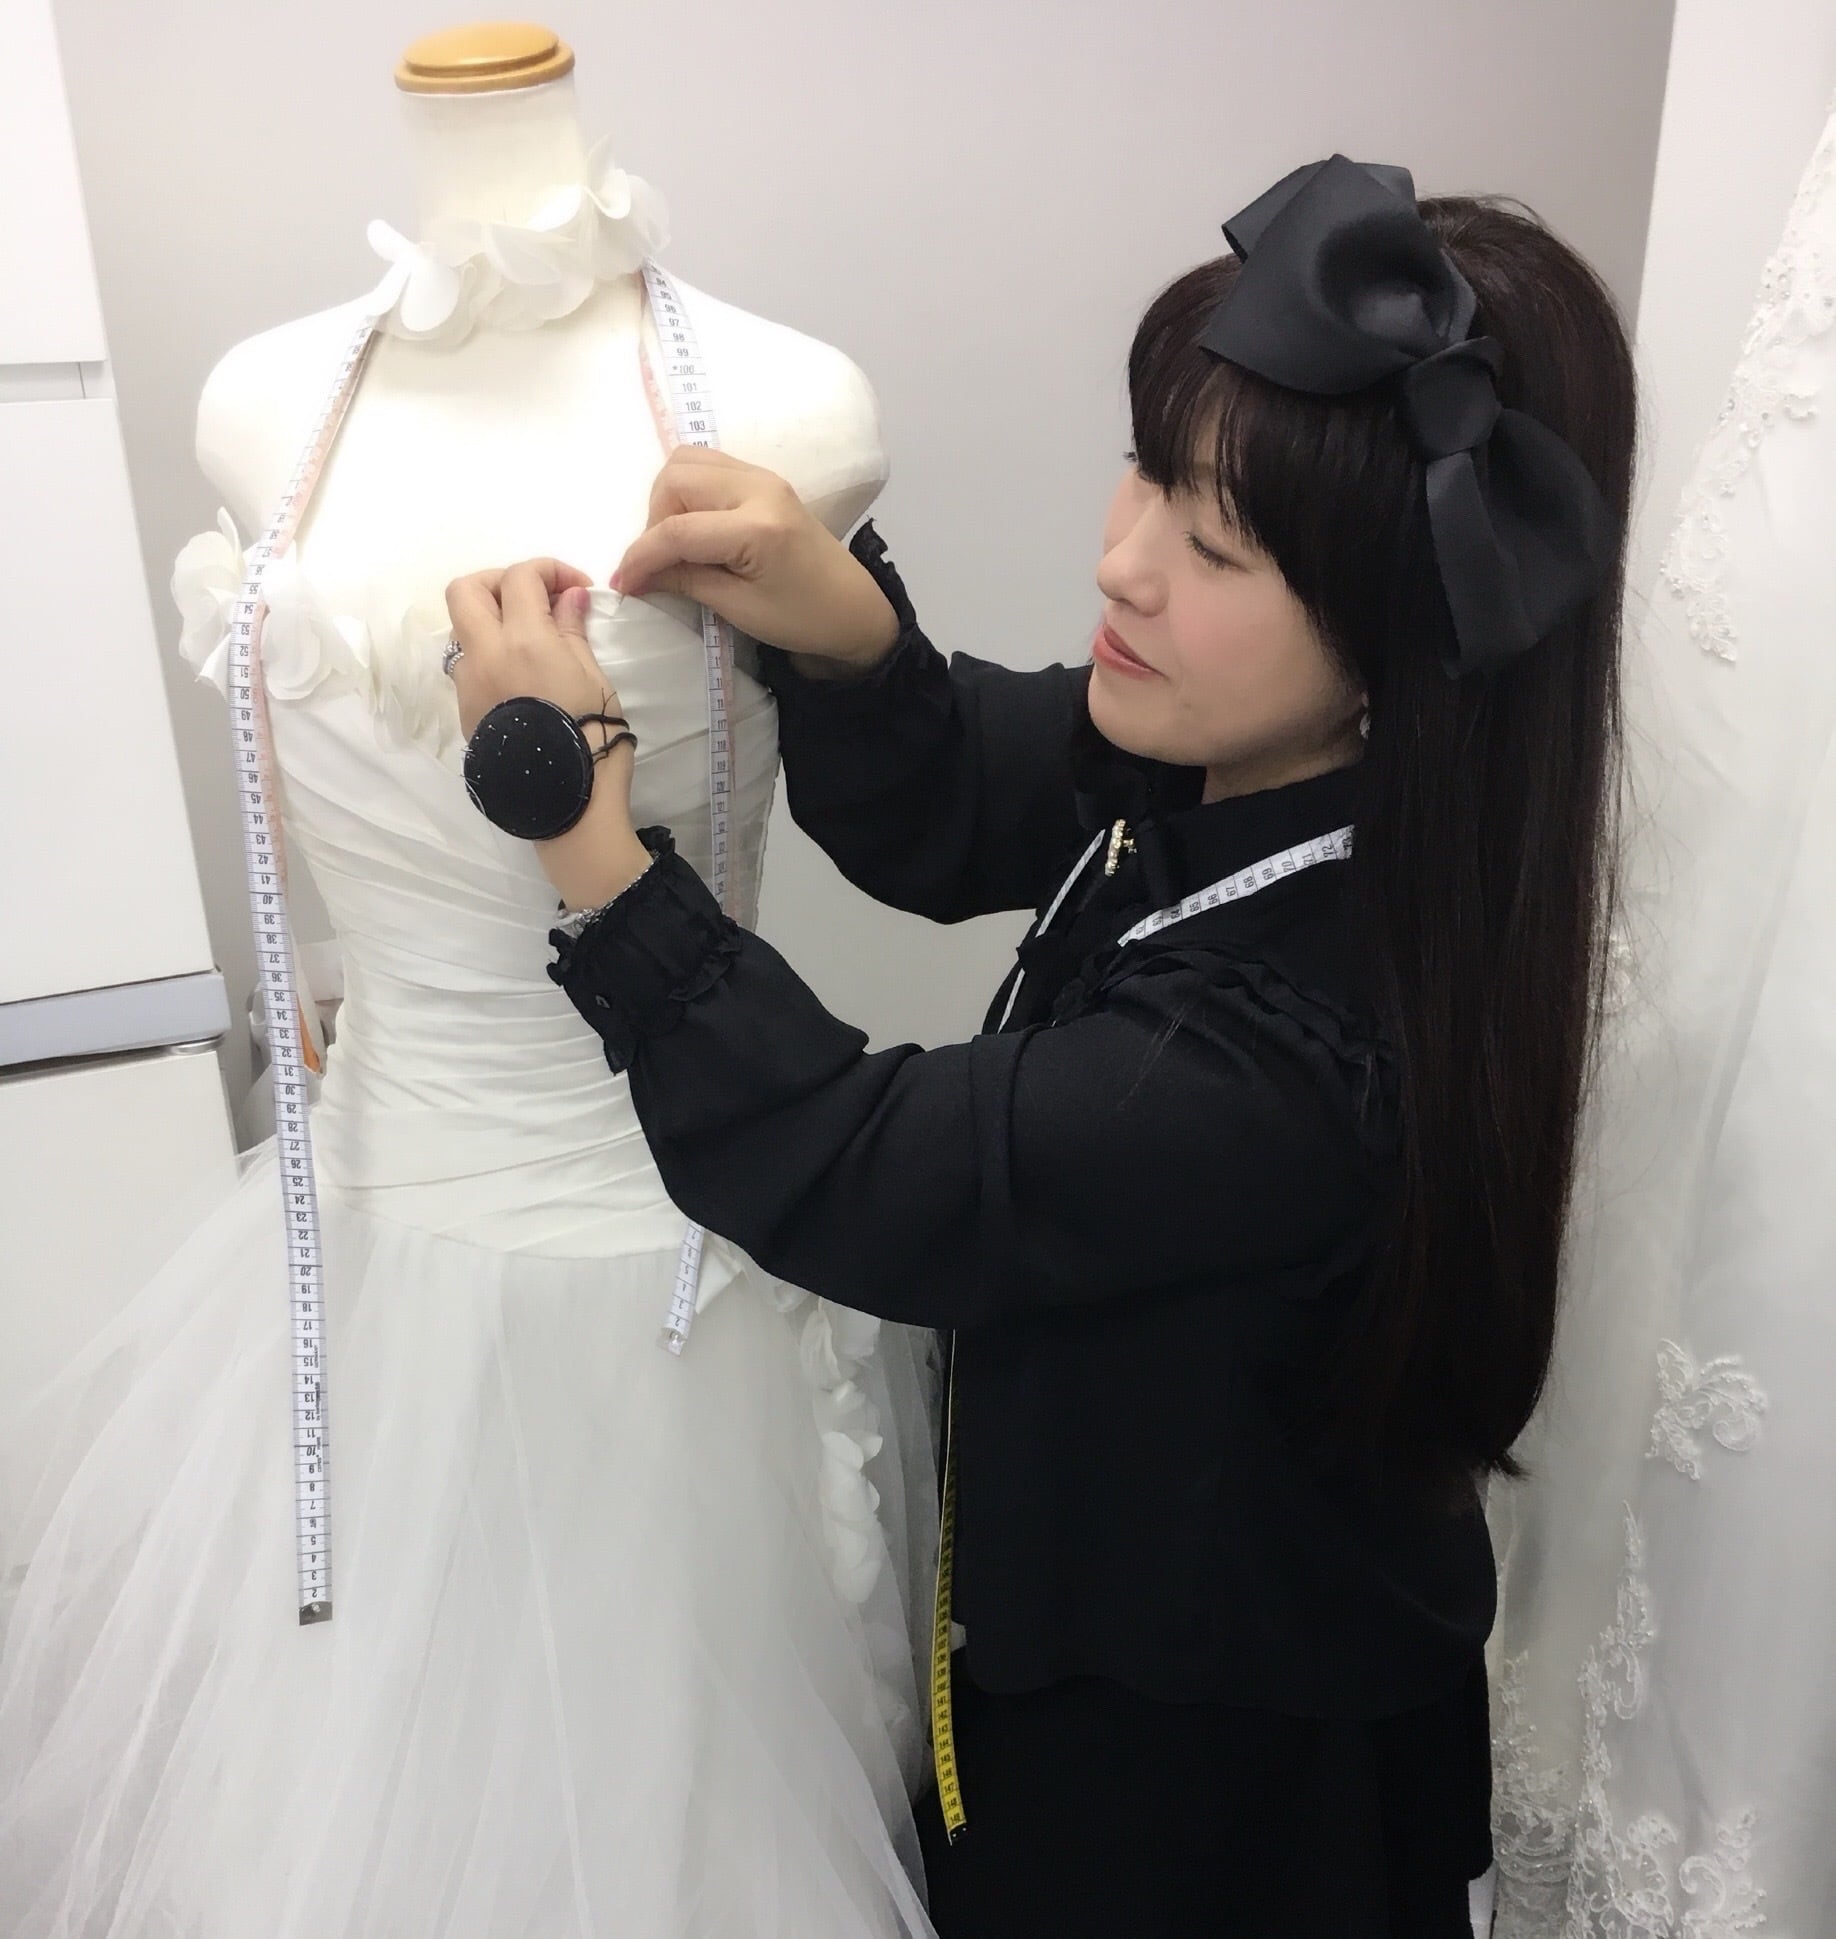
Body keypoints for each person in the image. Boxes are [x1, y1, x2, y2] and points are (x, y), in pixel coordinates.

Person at [442, 155, 1633, 1938]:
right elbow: (974, 795)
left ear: (1401, 642)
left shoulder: (1296, 1053)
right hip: (1113, 1640)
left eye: (1214, 547)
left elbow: (863, 1171)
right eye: (1147, 469)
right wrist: (851, 640)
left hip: (1203, 1785)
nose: (1120, 561)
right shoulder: (1261, 773)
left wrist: (582, 824)